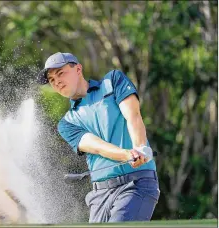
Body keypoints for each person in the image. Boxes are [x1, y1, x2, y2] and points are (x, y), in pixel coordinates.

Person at [37, 52, 160, 223]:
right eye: (51, 80)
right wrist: (126, 155)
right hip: (100, 194)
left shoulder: (113, 81)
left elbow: (133, 115)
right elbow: (96, 146)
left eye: (60, 73)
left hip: (136, 183)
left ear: (78, 69)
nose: (56, 81)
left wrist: (140, 148)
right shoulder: (66, 123)